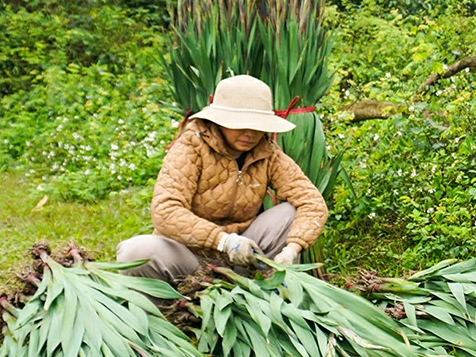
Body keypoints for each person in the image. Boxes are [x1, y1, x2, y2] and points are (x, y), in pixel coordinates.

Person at [117, 74, 329, 282]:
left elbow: (312, 202)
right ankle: (168, 309)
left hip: (242, 258)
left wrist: (292, 249)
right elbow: (166, 211)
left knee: (288, 212)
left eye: (257, 125)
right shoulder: (191, 147)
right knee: (135, 252)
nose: (249, 133)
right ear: (219, 121)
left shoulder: (267, 153)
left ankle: (263, 289)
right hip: (187, 256)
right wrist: (223, 241)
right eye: (240, 124)